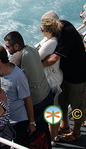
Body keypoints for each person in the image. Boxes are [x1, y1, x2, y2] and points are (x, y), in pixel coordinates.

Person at [43, 16, 86, 144]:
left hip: (78, 77)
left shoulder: (65, 35)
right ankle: (65, 126)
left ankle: (76, 133)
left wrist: (36, 65)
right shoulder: (65, 24)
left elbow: (53, 59)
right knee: (62, 103)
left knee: (77, 106)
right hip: (65, 75)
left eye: (43, 30)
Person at [4, 31, 52, 143]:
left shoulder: (18, 56)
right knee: (44, 130)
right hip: (47, 94)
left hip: (36, 101)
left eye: (7, 46)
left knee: (30, 136)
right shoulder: (32, 48)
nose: (7, 49)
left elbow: (6, 72)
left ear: (16, 46)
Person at [0, 45, 35, 147]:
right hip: (4, 121)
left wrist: (31, 122)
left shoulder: (18, 77)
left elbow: (27, 99)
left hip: (18, 121)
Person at [37, 13, 64, 142]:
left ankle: (53, 137)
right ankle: (53, 135)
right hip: (52, 78)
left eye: (41, 27)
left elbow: (37, 58)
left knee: (53, 110)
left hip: (52, 80)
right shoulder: (48, 40)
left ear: (46, 29)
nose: (40, 29)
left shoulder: (51, 42)